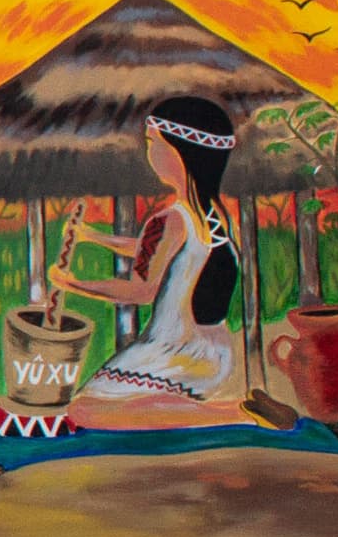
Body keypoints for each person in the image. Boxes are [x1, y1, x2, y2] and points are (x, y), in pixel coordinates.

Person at [49, 94, 277, 431]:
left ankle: (237, 413)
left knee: (85, 411)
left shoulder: (170, 219)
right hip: (213, 351)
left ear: (179, 153)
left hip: (177, 350)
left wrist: (72, 284)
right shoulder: (212, 216)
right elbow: (154, 252)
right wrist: (92, 236)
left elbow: (140, 292)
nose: (149, 153)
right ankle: (232, 409)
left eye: (153, 143)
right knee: (125, 404)